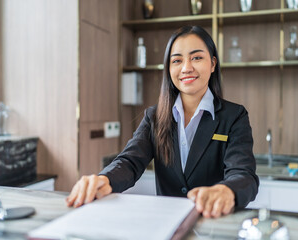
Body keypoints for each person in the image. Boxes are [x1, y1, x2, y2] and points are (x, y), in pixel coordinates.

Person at [66, 26, 259, 218]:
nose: (186, 68)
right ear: (169, 68)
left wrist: (227, 190)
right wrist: (104, 179)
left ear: (213, 64)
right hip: (168, 225)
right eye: (177, 60)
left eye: (197, 57)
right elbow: (129, 161)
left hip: (213, 223)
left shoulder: (234, 116)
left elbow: (244, 175)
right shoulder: (154, 116)